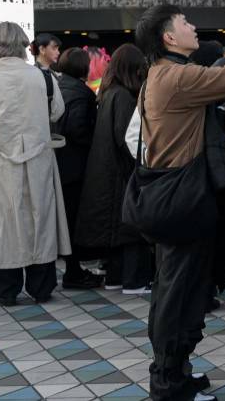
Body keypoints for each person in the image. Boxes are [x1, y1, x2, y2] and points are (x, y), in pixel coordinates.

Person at [133, 3, 225, 401]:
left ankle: (177, 371)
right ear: (169, 37)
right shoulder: (175, 76)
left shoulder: (162, 75)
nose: (193, 27)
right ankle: (169, 382)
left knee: (180, 288)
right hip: (183, 199)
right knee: (178, 291)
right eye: (185, 23)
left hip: (174, 197)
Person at [0, 22, 72, 307]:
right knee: (40, 219)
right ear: (24, 44)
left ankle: (6, 289)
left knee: (3, 222)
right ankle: (41, 286)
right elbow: (57, 111)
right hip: (38, 159)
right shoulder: (44, 79)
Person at [75, 44, 153, 295]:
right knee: (129, 229)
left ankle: (116, 278)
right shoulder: (124, 97)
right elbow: (127, 139)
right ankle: (134, 281)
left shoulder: (108, 93)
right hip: (120, 173)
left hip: (103, 171)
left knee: (116, 232)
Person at [53, 48, 101, 290]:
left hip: (57, 161)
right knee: (72, 218)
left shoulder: (59, 86)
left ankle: (70, 267)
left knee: (63, 217)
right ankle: (73, 271)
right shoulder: (81, 93)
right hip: (74, 165)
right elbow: (78, 129)